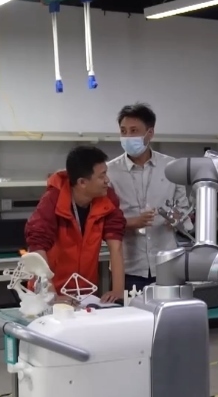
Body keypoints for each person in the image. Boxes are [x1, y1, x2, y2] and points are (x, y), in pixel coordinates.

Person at [107, 103, 193, 290]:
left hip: (167, 265)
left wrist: (178, 218)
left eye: (134, 131)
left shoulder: (171, 167)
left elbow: (184, 209)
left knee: (170, 309)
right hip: (128, 267)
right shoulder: (110, 172)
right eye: (123, 131)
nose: (127, 137)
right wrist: (132, 222)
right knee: (129, 309)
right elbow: (104, 220)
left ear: (150, 133)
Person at [25, 146, 126, 302]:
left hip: (85, 292)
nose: (107, 180)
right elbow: (37, 248)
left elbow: (116, 245)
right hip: (49, 292)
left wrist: (118, 291)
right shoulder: (53, 199)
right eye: (102, 176)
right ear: (82, 182)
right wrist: (51, 295)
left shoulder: (108, 198)